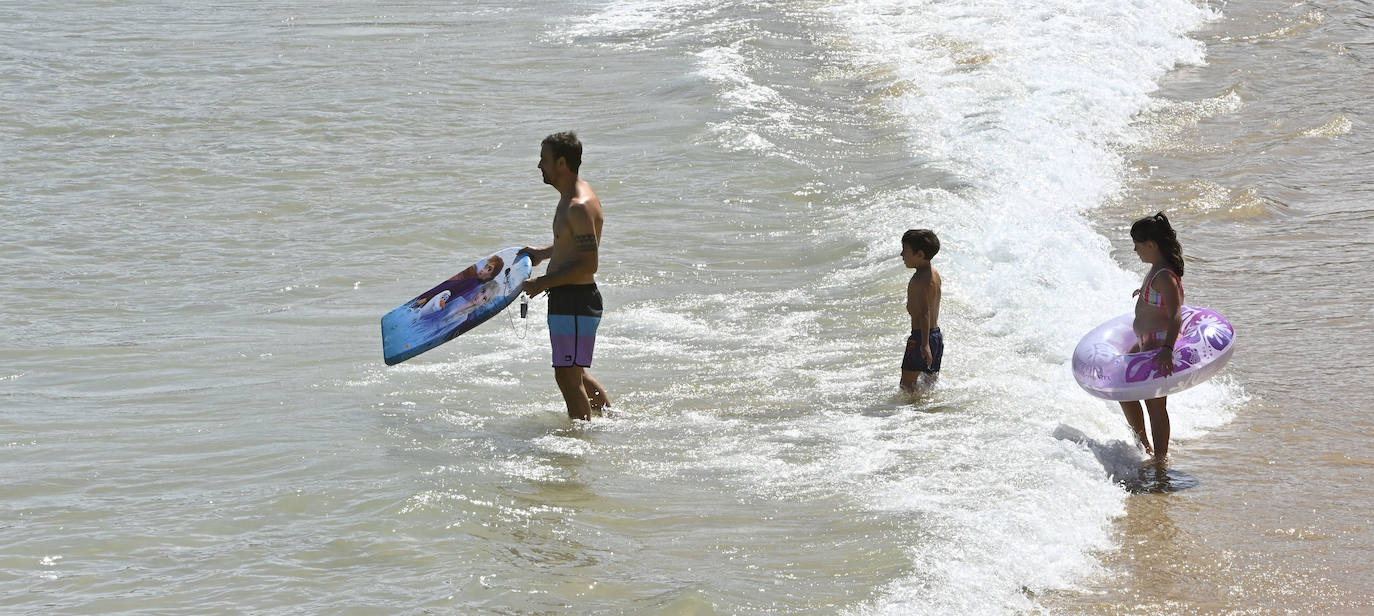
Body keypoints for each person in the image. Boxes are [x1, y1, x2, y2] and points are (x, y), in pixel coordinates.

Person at [520, 132, 611, 421]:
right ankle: (611, 421)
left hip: (575, 301)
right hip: (571, 300)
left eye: (543, 159)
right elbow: (570, 246)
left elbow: (589, 263)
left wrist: (541, 283)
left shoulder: (578, 205)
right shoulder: (572, 198)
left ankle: (580, 442)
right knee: (575, 374)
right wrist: (542, 254)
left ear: (561, 162)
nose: (538, 166)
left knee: (567, 378)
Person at [1121, 212, 1185, 466]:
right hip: (1146, 341)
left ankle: (1160, 459)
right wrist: (1144, 294)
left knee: (1155, 406)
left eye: (1138, 244)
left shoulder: (1165, 276)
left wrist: (1168, 349)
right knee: (1124, 391)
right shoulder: (1155, 271)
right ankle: (1143, 445)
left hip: (1158, 344)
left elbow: (1176, 315)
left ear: (1151, 245)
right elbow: (1157, 301)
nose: (1135, 250)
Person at [900, 229, 943, 393]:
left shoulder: (919, 280)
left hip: (921, 338)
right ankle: (928, 413)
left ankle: (913, 415)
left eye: (905, 250)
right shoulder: (934, 273)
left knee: (907, 385)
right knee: (929, 384)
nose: (901, 254)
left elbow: (925, 312)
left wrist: (924, 344)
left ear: (919, 254)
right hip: (936, 336)